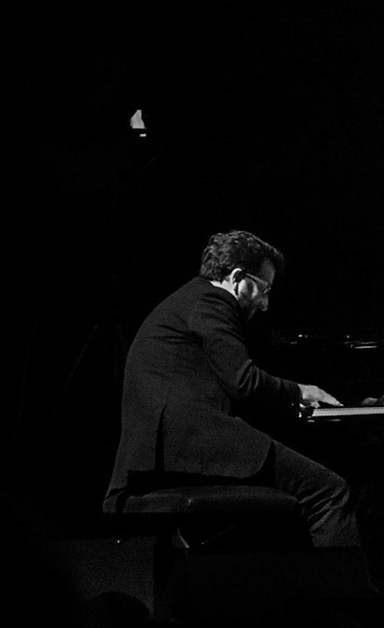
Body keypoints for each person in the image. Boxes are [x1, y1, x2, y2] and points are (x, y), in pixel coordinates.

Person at [104, 230, 359, 547]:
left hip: (163, 453)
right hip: (190, 442)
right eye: (264, 289)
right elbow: (243, 382)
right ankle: (339, 596)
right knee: (330, 491)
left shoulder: (188, 301)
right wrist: (300, 391)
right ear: (238, 277)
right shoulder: (212, 302)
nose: (265, 304)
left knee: (278, 506)